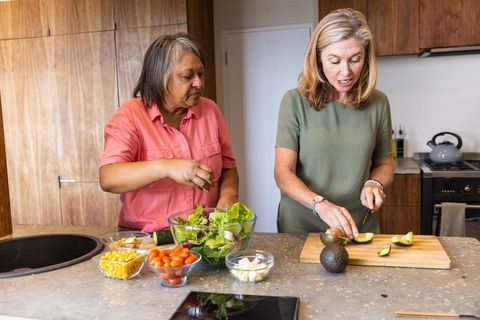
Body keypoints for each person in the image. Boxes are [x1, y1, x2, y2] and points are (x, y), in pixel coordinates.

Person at [99, 33, 239, 232]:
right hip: (148, 239)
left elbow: (228, 167)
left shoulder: (211, 111)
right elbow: (108, 178)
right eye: (187, 76)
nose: (199, 83)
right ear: (161, 78)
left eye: (201, 74)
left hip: (204, 236)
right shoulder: (130, 115)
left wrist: (229, 195)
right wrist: (165, 167)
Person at [274, 8, 395, 238]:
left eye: (355, 60)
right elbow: (283, 172)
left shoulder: (379, 103)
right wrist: (320, 204)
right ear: (318, 58)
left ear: (366, 58)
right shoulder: (294, 101)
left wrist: (374, 183)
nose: (346, 71)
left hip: (357, 225)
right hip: (301, 227)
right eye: (335, 60)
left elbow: (385, 163)